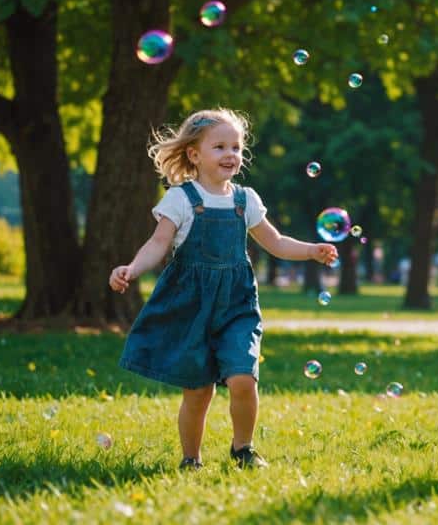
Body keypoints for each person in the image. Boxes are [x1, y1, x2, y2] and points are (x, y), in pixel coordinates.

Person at [108, 109, 337, 471]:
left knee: (244, 378)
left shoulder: (245, 200)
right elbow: (158, 243)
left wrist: (310, 251)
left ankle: (242, 448)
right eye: (220, 147)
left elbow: (274, 242)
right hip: (191, 308)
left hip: (236, 306)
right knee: (198, 392)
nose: (231, 154)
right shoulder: (181, 199)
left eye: (236, 147)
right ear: (194, 155)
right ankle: (190, 458)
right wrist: (132, 268)